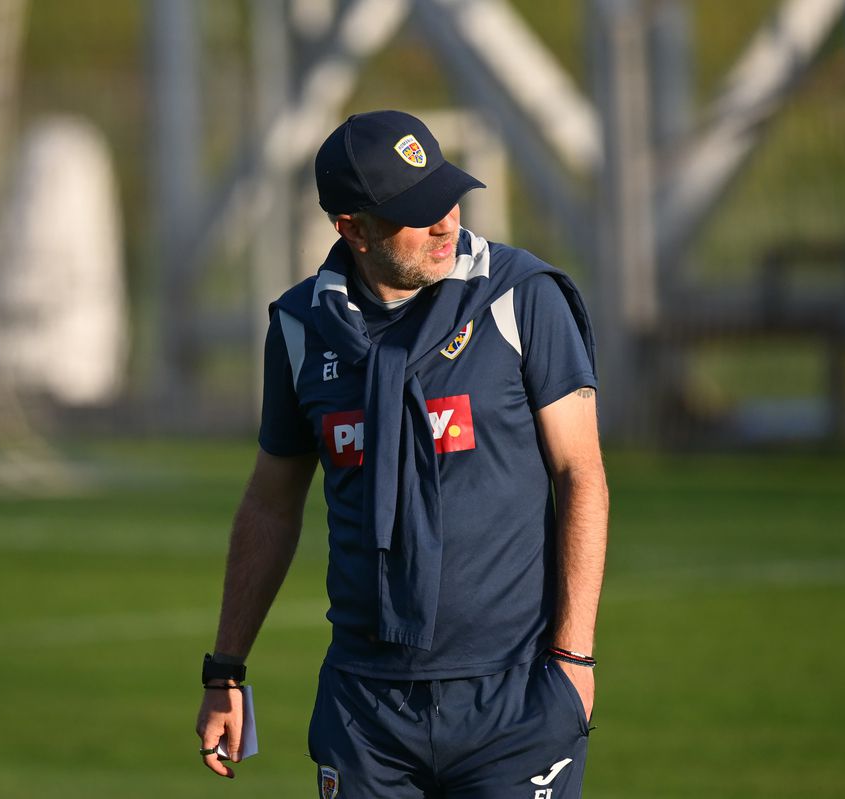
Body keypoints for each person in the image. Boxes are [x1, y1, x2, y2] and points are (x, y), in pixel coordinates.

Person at [195, 109, 608, 799]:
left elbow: (581, 474)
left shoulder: (522, 297)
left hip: (516, 698)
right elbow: (270, 503)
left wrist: (573, 660)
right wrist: (225, 669)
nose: (446, 219)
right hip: (367, 714)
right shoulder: (300, 330)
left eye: (446, 194)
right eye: (417, 211)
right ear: (351, 228)